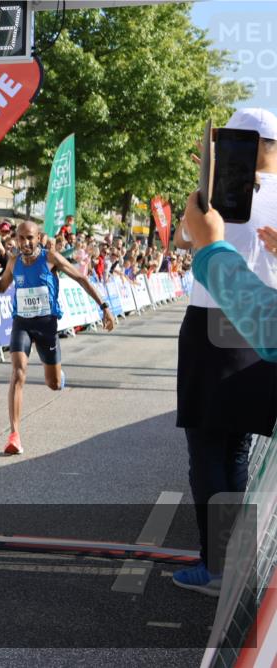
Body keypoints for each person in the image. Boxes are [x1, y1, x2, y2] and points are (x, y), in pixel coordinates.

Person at [170, 108, 277, 596]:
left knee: (207, 452)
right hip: (262, 330)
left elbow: (184, 239)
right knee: (236, 448)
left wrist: (201, 188)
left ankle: (217, 567)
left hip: (214, 321)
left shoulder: (213, 196)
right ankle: (234, 560)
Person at [0, 222, 114, 455]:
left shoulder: (50, 257)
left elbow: (81, 278)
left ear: (38, 238)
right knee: (18, 371)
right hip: (21, 323)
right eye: (21, 239)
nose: (25, 243)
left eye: (30, 238)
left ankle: (58, 376)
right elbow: (2, 286)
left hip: (46, 326)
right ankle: (14, 435)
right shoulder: (14, 261)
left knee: (52, 384)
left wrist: (104, 307)